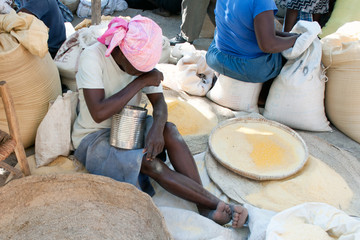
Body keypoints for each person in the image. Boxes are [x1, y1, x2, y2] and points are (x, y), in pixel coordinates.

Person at [71, 15, 248, 228]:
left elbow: (160, 105)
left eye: (145, 69)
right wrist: (141, 81)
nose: (143, 71)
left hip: (128, 123)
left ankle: (202, 206)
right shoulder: (93, 57)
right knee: (151, 163)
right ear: (120, 52)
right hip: (93, 138)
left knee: (169, 131)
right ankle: (217, 203)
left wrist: (157, 127)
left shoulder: (139, 63)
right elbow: (99, 112)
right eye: (139, 68)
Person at [205, 0, 300, 103]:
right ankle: (262, 98)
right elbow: (268, 45)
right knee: (286, 57)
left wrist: (290, 36)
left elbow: (252, 27)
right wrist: (296, 40)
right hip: (247, 68)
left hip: (216, 58)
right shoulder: (262, 2)